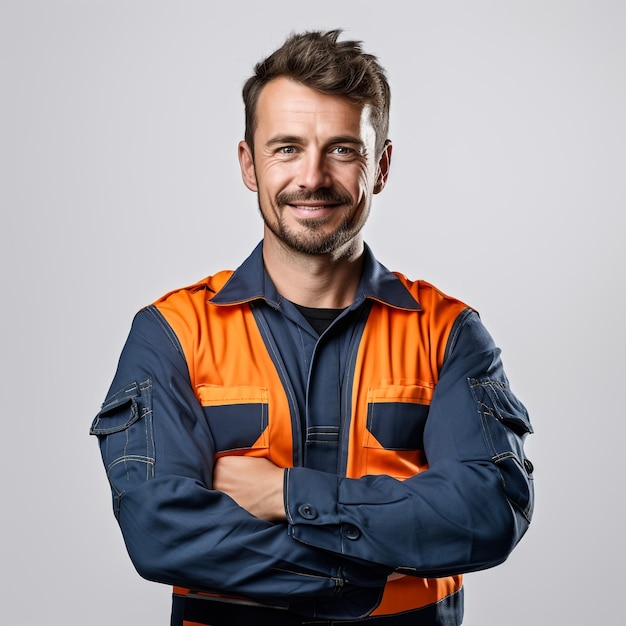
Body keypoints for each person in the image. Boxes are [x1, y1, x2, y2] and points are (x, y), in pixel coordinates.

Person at [90, 29, 534, 626]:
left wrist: (282, 494)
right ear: (249, 164)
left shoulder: (449, 334)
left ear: (380, 166)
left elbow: (487, 513)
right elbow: (158, 532)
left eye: (344, 149)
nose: (314, 176)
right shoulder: (172, 333)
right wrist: (383, 554)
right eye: (287, 148)